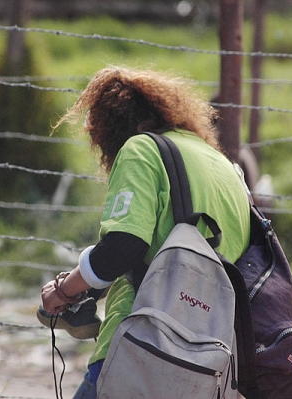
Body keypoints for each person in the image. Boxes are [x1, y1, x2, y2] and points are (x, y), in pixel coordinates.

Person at [40, 66, 251, 399]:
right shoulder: (221, 164)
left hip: (140, 347)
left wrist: (64, 291)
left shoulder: (141, 150)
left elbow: (123, 248)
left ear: (109, 130)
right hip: (212, 361)